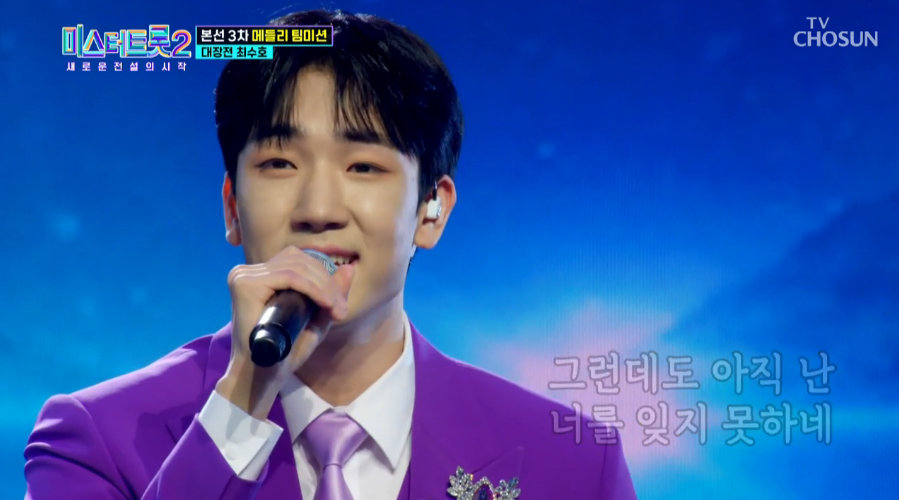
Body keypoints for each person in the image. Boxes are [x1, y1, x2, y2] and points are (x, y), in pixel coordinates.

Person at [24, 9, 636, 500]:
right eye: (279, 163)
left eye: (363, 166)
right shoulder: (94, 440)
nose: (318, 208)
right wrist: (242, 401)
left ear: (432, 209)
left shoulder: (575, 462)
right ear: (232, 207)